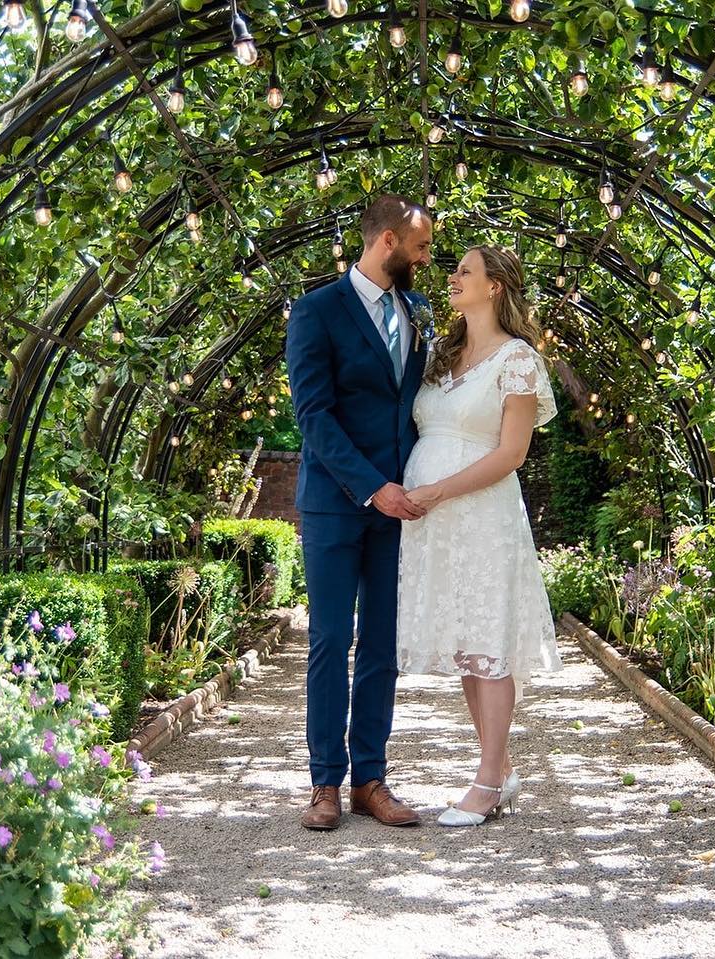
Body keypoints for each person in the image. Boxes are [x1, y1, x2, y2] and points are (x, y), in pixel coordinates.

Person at [397, 244, 562, 826]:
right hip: (434, 522)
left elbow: (512, 453)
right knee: (470, 647)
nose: (453, 278)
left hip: (481, 514)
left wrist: (438, 490)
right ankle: (500, 768)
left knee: (489, 643)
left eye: (465, 271)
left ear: (494, 287)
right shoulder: (442, 354)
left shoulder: (516, 360)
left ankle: (490, 780)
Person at [284, 194, 434, 831]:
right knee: (329, 641)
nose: (429, 260)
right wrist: (373, 487)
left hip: (399, 508)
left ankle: (370, 779)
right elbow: (313, 416)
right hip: (336, 504)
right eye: (422, 247)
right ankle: (324, 782)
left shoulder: (418, 313)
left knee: (381, 646)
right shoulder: (316, 312)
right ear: (389, 244)